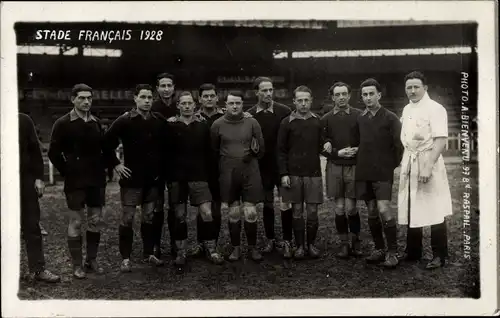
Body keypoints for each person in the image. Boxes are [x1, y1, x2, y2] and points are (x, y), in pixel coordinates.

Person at [48, 84, 117, 279]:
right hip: (75, 181)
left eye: (89, 98)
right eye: (81, 98)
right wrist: (67, 170)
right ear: (73, 99)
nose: (86, 101)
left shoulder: (96, 122)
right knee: (76, 222)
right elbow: (53, 153)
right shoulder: (62, 123)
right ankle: (77, 265)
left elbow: (104, 149)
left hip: (96, 180)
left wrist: (104, 167)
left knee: (95, 220)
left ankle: (91, 260)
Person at [104, 84, 168, 272]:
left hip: (153, 179)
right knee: (128, 217)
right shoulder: (125, 120)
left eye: (150, 97)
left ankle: (148, 254)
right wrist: (116, 164)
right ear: (135, 98)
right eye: (143, 97)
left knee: (148, 216)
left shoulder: (158, 120)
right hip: (132, 179)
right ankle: (125, 258)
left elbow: (169, 143)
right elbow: (106, 143)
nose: (147, 101)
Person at [398, 71, 452, 269]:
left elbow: (440, 140)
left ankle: (439, 254)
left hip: (429, 160)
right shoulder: (406, 109)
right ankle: (413, 251)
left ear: (425, 88)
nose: (412, 91)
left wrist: (428, 166)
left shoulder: (436, 109)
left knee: (434, 207)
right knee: (412, 206)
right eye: (409, 88)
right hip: (410, 161)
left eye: (416, 87)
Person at [167, 91, 225, 272]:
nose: (186, 106)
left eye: (189, 103)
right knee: (179, 215)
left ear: (194, 105)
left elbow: (211, 152)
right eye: (182, 103)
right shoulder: (170, 125)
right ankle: (181, 252)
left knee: (207, 213)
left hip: (199, 176)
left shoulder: (203, 125)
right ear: (178, 106)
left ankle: (211, 249)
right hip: (177, 177)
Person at [354, 78, 404, 268]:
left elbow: (398, 146)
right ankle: (379, 248)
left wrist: (389, 165)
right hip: (364, 171)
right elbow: (358, 142)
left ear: (379, 95)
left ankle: (393, 252)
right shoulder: (360, 118)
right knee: (372, 211)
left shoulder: (390, 117)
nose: (368, 98)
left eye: (371, 94)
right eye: (365, 95)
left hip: (383, 172)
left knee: (384, 208)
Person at [211, 91, 265, 262]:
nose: (235, 106)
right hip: (228, 173)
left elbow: (261, 149)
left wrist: (250, 156)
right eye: (231, 103)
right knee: (233, 213)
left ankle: (252, 248)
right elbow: (213, 151)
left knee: (251, 213)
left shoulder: (252, 122)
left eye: (238, 103)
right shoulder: (217, 124)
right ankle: (235, 248)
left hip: (249, 172)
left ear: (243, 104)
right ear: (225, 105)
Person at [247, 77, 293, 257]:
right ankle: (270, 239)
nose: (268, 94)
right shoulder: (250, 114)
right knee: (267, 204)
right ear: (256, 92)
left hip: (282, 166)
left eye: (270, 90)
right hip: (262, 167)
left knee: (286, 203)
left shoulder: (285, 111)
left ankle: (288, 241)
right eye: (264, 91)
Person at [277, 85, 324, 260]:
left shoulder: (317, 121)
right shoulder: (286, 122)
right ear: (294, 101)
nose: (303, 104)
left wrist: (327, 145)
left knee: (312, 211)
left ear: (311, 101)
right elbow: (280, 151)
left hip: (313, 173)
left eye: (306, 100)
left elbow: (322, 145)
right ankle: (299, 246)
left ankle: (311, 244)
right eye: (300, 100)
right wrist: (284, 174)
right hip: (294, 174)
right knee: (296, 210)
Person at [321, 82, 363, 259]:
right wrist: (337, 151)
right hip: (335, 167)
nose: (341, 97)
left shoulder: (359, 116)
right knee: (339, 208)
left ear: (349, 95)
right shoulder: (326, 119)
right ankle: (344, 244)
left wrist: (359, 149)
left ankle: (355, 241)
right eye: (337, 95)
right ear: (332, 97)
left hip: (353, 166)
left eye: (344, 94)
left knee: (352, 207)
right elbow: (320, 146)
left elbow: (367, 140)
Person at [19, 113, 60, 283]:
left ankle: (38, 269)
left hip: (24, 180)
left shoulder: (23, 120)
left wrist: (38, 178)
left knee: (32, 225)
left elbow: (35, 150)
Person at [190, 83, 225, 257]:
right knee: (202, 208)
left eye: (212, 96)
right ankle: (200, 243)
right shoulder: (194, 117)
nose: (209, 99)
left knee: (216, 209)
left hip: (219, 169)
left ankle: (213, 243)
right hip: (200, 169)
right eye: (205, 96)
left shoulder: (226, 115)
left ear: (217, 97)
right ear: (199, 99)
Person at [151, 72, 177, 259]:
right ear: (157, 88)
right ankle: (155, 245)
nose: (166, 89)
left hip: (176, 163)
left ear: (174, 87)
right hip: (157, 164)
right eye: (163, 85)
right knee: (157, 206)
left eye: (169, 85)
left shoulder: (181, 106)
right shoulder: (151, 107)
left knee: (176, 206)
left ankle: (176, 243)